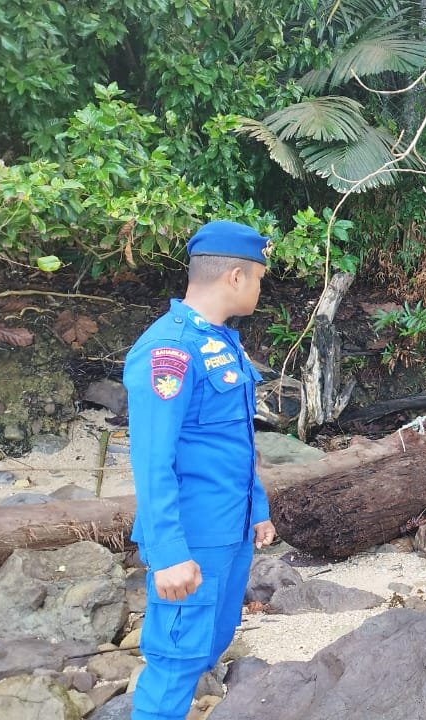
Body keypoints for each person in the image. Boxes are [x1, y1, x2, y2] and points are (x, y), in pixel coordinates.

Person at [122, 220, 277, 720]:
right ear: (235, 277)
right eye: (258, 277)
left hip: (229, 529)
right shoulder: (169, 350)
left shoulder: (221, 341)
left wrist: (258, 510)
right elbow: (151, 461)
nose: (259, 287)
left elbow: (235, 439)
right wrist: (168, 554)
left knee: (212, 639)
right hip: (192, 537)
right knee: (176, 659)